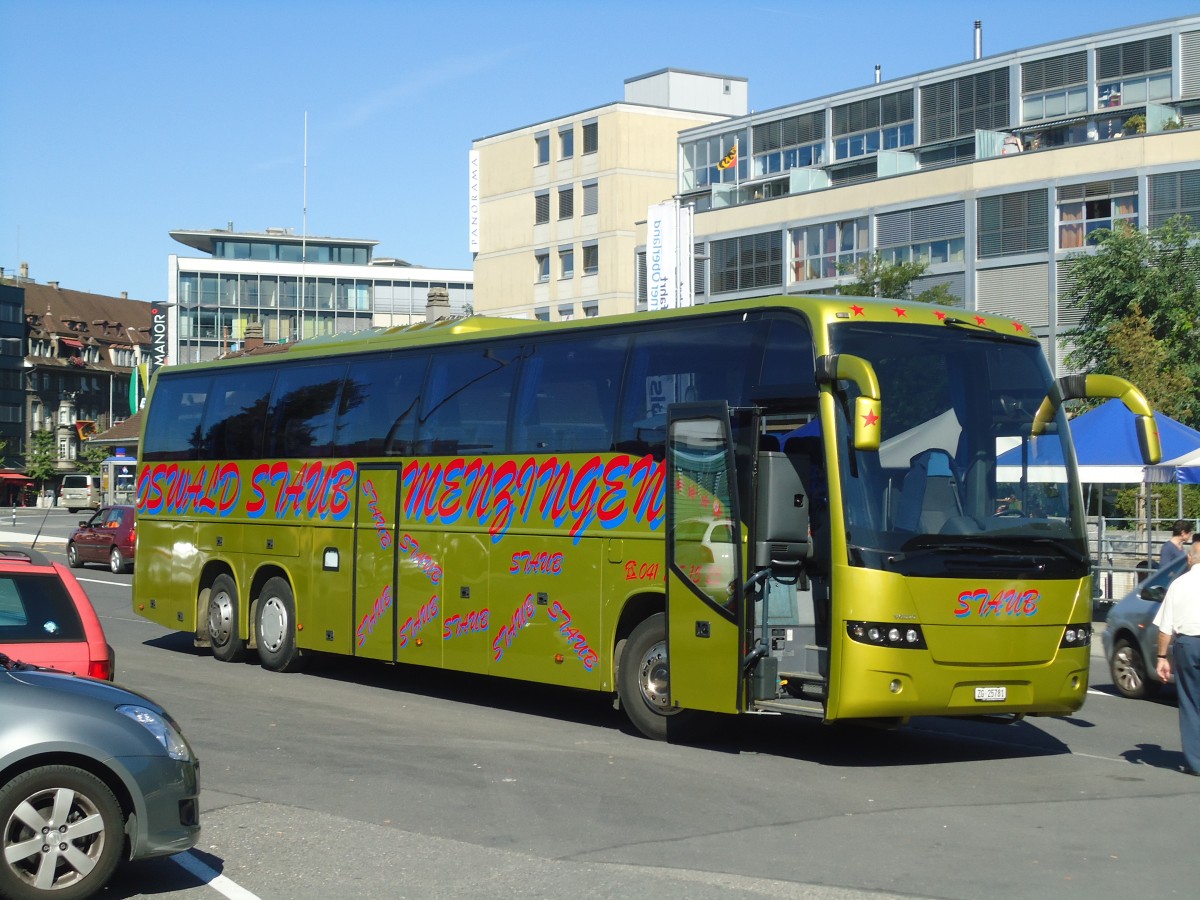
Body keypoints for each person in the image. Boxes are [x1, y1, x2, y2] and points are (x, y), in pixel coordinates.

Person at [1153, 542, 1200, 774]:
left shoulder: (1179, 584)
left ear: (1190, 559)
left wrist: (1162, 657)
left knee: (1191, 703)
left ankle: (1196, 762)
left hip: (1189, 644)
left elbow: (1165, 627)